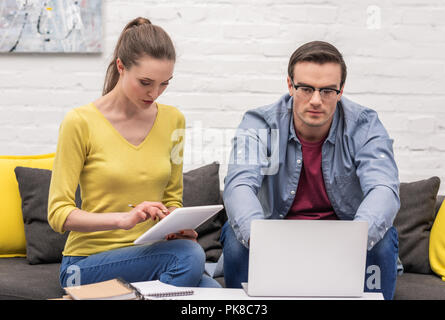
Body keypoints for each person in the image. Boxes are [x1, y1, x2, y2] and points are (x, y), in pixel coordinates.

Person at [48, 17, 220, 289]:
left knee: (215, 292)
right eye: (145, 82)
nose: (155, 93)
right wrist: (124, 220)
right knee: (188, 257)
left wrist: (176, 227)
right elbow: (59, 214)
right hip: (85, 264)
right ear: (121, 67)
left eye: (165, 84)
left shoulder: (173, 119)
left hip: (153, 256)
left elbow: (172, 197)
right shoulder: (80, 122)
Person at [220, 41, 401, 299]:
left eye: (327, 90)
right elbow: (239, 185)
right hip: (277, 232)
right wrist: (262, 241)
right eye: (306, 88)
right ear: (290, 85)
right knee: (236, 236)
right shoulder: (259, 122)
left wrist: (353, 240)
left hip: (342, 232)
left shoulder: (364, 124)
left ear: (340, 91)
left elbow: (383, 188)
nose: (316, 100)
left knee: (382, 240)